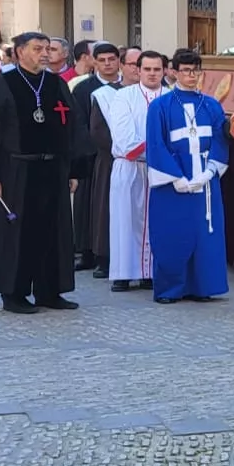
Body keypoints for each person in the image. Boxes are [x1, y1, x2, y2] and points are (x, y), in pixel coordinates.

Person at [0, 32, 84, 315]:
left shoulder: (56, 84)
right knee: (15, 233)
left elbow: (72, 127)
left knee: (52, 231)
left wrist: (73, 169)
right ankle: (14, 292)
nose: (45, 53)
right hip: (14, 171)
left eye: (48, 48)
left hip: (52, 168)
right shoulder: (2, 86)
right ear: (20, 52)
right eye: (37, 48)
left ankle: (49, 290)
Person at [144, 50, 228, 304]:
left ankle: (204, 286)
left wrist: (210, 171)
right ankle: (171, 289)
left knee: (205, 234)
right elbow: (156, 144)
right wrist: (176, 178)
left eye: (196, 71)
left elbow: (220, 139)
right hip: (173, 182)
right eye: (186, 71)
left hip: (205, 179)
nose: (192, 76)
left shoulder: (212, 105)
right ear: (174, 72)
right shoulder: (161, 106)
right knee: (173, 234)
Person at [103, 53, 166, 292]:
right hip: (129, 166)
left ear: (164, 71)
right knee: (125, 219)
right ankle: (123, 273)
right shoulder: (123, 97)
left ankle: (150, 272)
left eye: (157, 69)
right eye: (147, 69)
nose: (152, 73)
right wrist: (159, 150)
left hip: (160, 170)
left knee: (155, 221)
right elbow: (124, 136)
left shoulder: (170, 97)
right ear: (137, 71)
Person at [69, 43, 122, 271]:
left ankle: (111, 253)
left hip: (121, 156)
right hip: (91, 155)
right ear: (94, 62)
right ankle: (86, 251)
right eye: (102, 60)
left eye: (112, 59)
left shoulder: (127, 87)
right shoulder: (83, 89)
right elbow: (77, 122)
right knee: (87, 206)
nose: (108, 64)